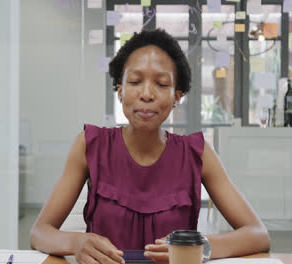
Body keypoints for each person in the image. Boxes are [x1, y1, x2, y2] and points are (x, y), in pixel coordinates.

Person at [30, 29, 270, 264]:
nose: (146, 94)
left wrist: (200, 247)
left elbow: (258, 235)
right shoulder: (89, 144)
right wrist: (75, 243)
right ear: (120, 90)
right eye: (135, 81)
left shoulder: (197, 153)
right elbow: (40, 232)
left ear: (177, 96)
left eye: (162, 84)